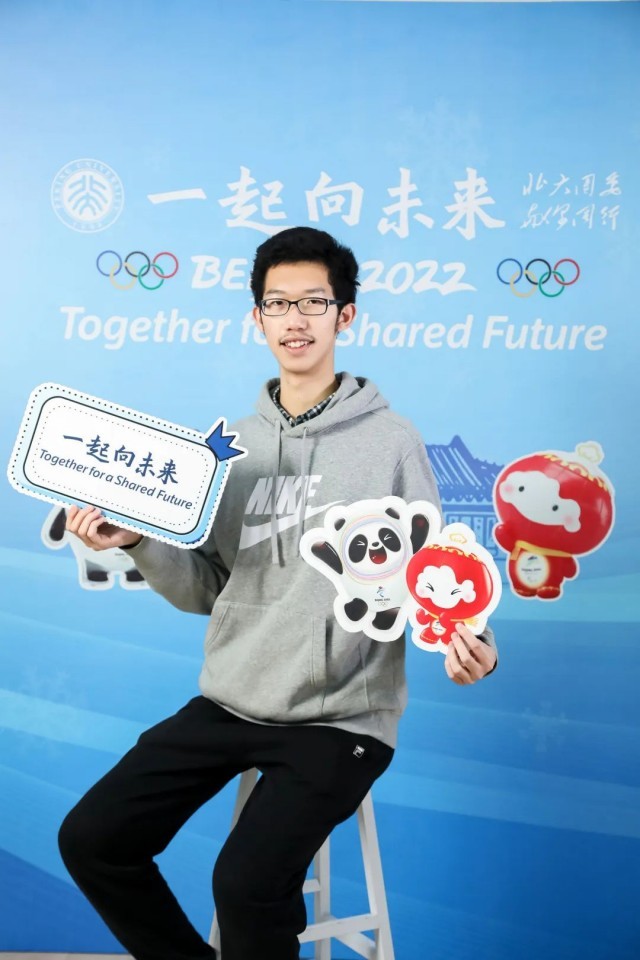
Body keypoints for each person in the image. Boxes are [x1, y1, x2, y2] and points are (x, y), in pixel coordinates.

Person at [59, 226, 498, 960]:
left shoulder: (392, 442)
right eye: (278, 303)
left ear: (344, 315)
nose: (295, 319)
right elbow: (207, 587)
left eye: (314, 302)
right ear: (256, 318)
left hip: (342, 718)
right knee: (93, 838)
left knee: (246, 882)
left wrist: (473, 641)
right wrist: (137, 542)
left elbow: (438, 573)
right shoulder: (228, 449)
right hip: (232, 697)